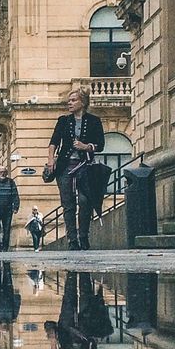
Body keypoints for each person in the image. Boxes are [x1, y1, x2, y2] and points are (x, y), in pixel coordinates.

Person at [46, 87, 105, 251]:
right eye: (69, 101)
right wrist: (51, 161)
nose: (69, 103)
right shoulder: (63, 121)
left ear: (83, 102)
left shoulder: (94, 121)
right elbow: (53, 143)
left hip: (85, 167)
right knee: (68, 204)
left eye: (73, 100)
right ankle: (72, 240)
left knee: (85, 201)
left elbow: (100, 144)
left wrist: (86, 146)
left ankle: (83, 236)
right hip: (65, 167)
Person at [0, 163, 20, 251]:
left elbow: (15, 195)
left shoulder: (11, 182)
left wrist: (16, 207)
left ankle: (5, 247)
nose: (2, 174)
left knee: (7, 229)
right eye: (0, 172)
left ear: (6, 173)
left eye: (4, 172)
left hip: (8, 209)